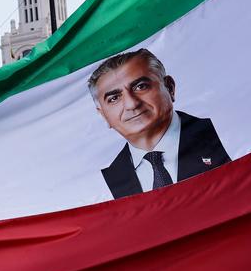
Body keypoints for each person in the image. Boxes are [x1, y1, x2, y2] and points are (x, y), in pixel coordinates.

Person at [87, 49, 231, 199]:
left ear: (169, 87)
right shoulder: (103, 186)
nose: (131, 104)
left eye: (140, 86)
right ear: (103, 115)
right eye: (114, 98)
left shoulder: (224, 134)